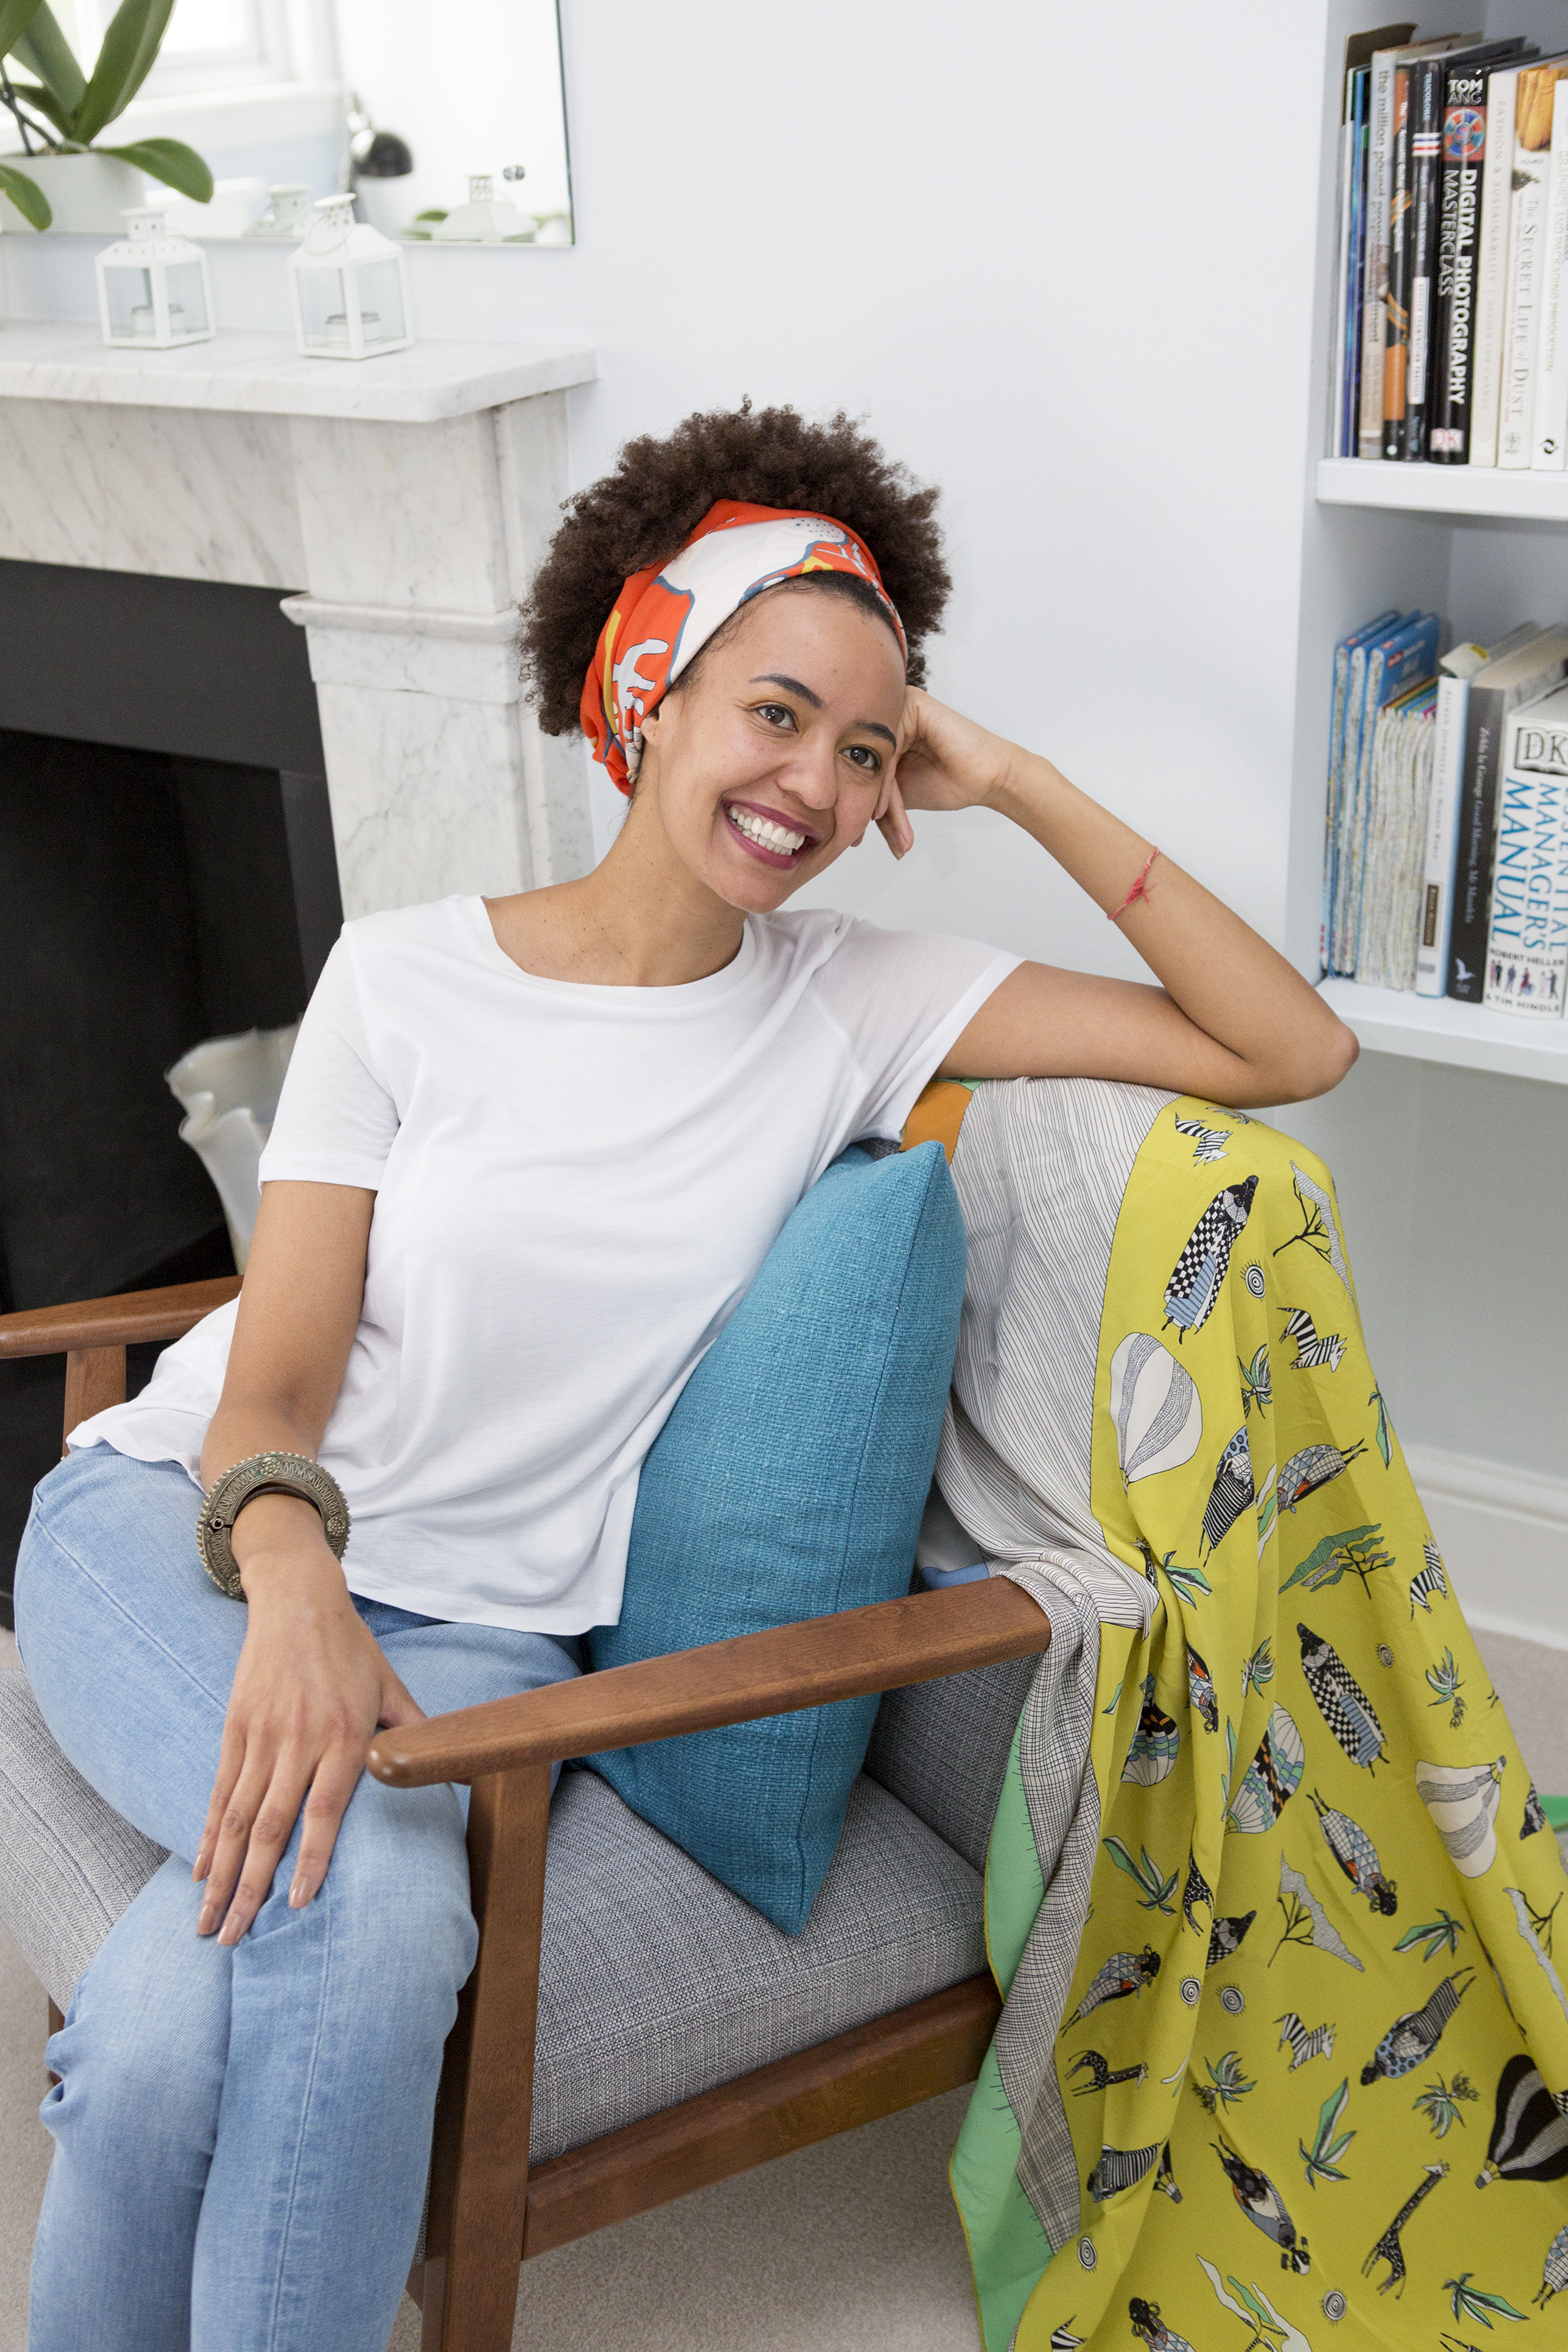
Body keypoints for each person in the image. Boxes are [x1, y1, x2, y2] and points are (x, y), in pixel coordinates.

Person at [12, 404, 1356, 2352]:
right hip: (187, 1530)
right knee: (358, 1919)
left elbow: (1284, 1045)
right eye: (779, 711)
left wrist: (1020, 776)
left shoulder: (853, 1001)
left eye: (869, 749)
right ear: (650, 683)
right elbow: (278, 1367)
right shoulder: (402, 977)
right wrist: (293, 1587)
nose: (817, 783)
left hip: (496, 1637)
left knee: (162, 2028)